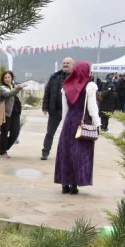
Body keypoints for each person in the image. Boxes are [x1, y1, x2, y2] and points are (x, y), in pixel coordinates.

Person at [54, 61, 100, 195]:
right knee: (80, 153)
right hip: (83, 121)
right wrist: (97, 124)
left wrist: (64, 126)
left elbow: (65, 110)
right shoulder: (90, 86)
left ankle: (64, 184)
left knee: (66, 152)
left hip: (69, 122)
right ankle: (74, 184)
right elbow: (92, 108)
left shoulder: (66, 86)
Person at [41, 57, 74, 160]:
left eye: (68, 63)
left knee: (69, 134)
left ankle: (68, 154)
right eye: (64, 63)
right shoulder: (55, 77)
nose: (65, 64)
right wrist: (45, 106)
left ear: (73, 65)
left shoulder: (76, 78)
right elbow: (47, 91)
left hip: (69, 111)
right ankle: (45, 152)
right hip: (55, 109)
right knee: (50, 132)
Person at [0, 70, 26, 158]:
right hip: (6, 113)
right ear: (3, 79)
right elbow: (9, 94)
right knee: (4, 132)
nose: (7, 79)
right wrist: (19, 88)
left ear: (12, 78)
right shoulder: (2, 88)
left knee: (15, 133)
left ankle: (3, 148)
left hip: (16, 113)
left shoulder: (13, 86)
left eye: (9, 77)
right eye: (5, 77)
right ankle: (2, 151)